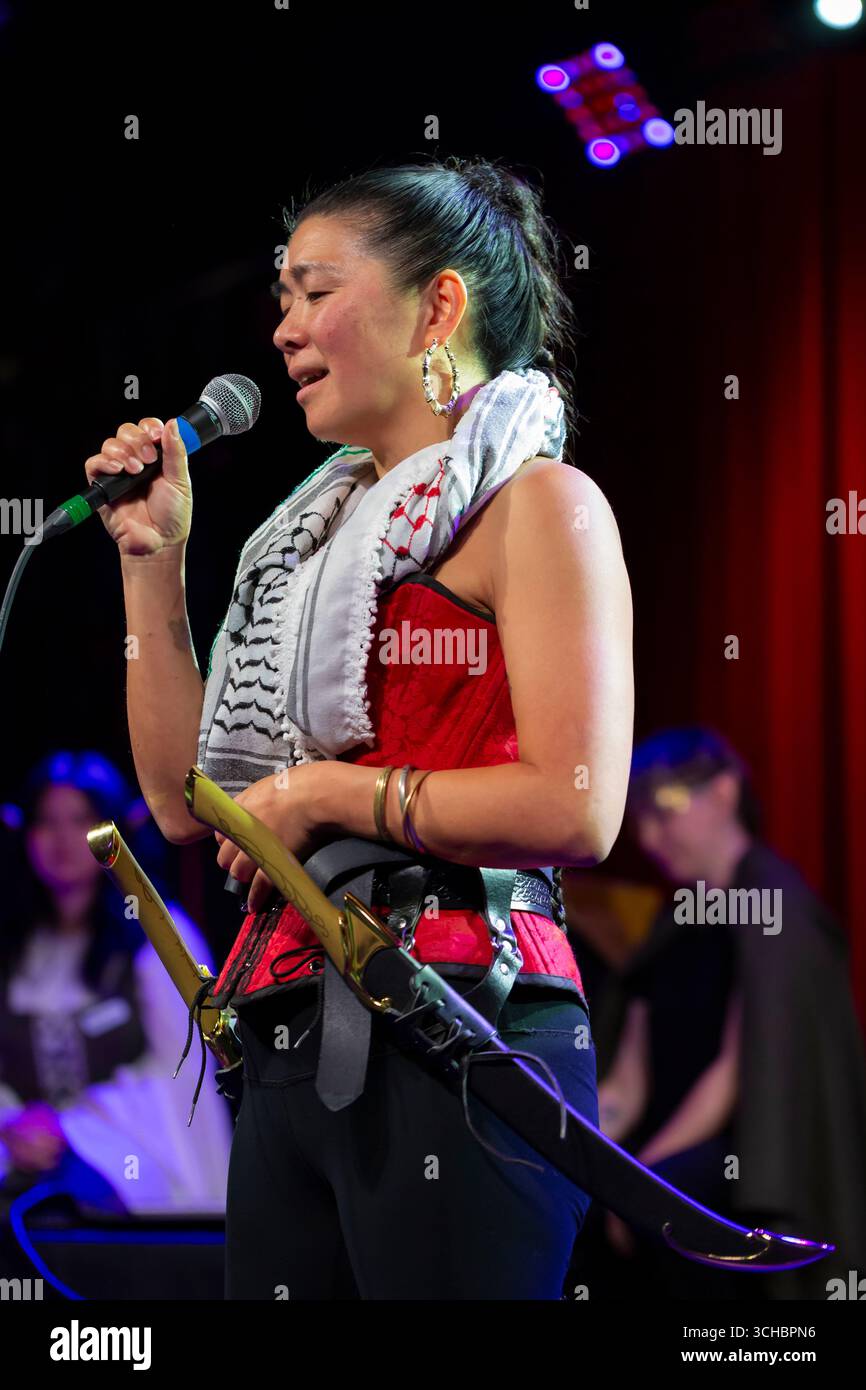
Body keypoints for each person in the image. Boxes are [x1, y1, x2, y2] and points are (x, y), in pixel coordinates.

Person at [83, 156, 634, 1300]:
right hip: (285, 1037)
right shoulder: (299, 553)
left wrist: (326, 793)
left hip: (462, 1025)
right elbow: (188, 807)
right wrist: (154, 563)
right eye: (281, 296)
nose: (283, 328)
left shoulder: (537, 502)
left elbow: (573, 803)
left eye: (313, 290)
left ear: (438, 305)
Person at [596, 726, 866, 1300]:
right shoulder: (673, 927)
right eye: (639, 817)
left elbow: (735, 1074)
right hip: (664, 1152)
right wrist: (576, 1152)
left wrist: (641, 1182)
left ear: (723, 793)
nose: (649, 836)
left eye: (662, 811)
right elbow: (628, 1083)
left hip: (740, 1169)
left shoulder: (776, 906)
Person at [0, 750, 232, 1227]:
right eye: (47, 822)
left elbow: (182, 1070)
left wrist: (73, 1129)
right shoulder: (12, 943)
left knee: (76, 1204)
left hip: (123, 1147)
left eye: (80, 820)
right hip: (15, 1148)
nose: (62, 840)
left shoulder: (156, 933)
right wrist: (13, 1124)